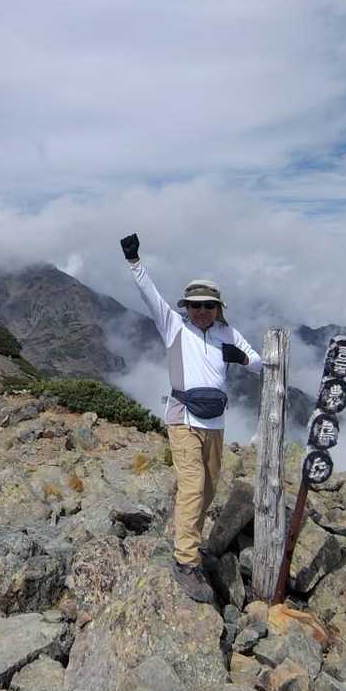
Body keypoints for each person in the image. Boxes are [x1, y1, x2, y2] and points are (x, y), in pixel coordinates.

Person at [120, 232, 262, 604]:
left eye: (208, 306)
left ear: (218, 308)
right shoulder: (174, 326)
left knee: (209, 490)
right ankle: (185, 561)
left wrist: (241, 357)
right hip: (183, 419)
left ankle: (190, 542)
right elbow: (149, 295)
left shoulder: (227, 333)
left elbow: (259, 363)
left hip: (215, 424)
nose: (201, 311)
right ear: (186, 307)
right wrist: (134, 262)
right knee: (194, 487)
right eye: (195, 305)